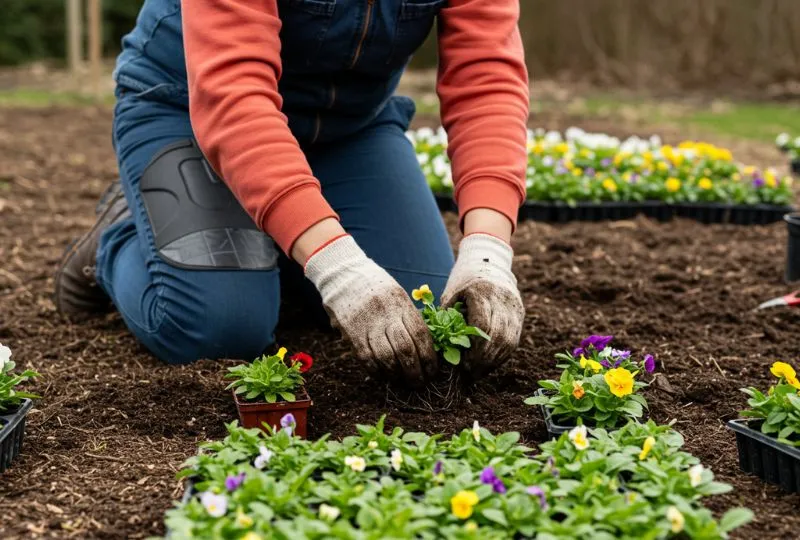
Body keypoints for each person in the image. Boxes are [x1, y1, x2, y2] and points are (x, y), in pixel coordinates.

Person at [54, 0, 529, 385]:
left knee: (422, 313)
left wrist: (487, 252)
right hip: (192, 110)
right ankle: (123, 237)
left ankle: (270, 243)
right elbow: (233, 94)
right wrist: (339, 268)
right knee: (222, 327)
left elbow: (486, 82)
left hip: (347, 131)